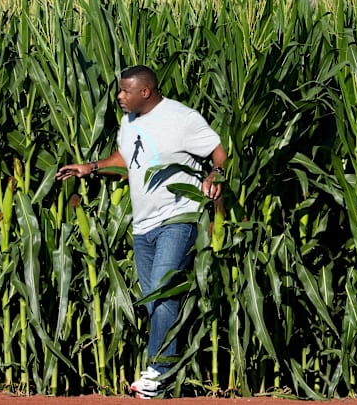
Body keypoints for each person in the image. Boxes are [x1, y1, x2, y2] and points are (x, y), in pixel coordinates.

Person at [56, 65, 226, 399]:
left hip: (178, 217)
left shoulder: (183, 118)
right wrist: (90, 167)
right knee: (156, 301)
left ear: (145, 92)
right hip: (142, 225)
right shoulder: (129, 121)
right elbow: (127, 158)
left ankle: (157, 372)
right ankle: (169, 373)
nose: (119, 96)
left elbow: (217, 150)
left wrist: (216, 174)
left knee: (163, 291)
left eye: (125, 91)